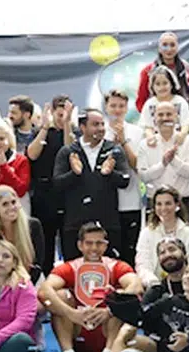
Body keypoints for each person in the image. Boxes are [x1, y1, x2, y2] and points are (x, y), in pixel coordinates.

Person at [37, 222, 144, 352]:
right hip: (77, 328)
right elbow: (44, 291)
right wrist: (71, 313)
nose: (94, 248)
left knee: (122, 295)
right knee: (59, 296)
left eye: (99, 243)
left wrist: (110, 310)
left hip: (108, 330)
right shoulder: (69, 267)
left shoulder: (116, 266)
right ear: (80, 245)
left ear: (106, 245)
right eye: (89, 243)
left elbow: (136, 286)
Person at [54, 110, 131, 261]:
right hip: (75, 225)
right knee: (74, 269)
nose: (101, 128)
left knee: (109, 269)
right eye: (95, 124)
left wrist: (109, 173)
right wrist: (74, 174)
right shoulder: (68, 151)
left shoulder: (114, 150)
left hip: (108, 224)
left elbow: (124, 181)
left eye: (102, 124)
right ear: (82, 127)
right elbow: (57, 183)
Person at [27, 95, 74, 269]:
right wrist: (45, 127)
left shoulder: (73, 132)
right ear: (52, 113)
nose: (62, 119)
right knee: (45, 243)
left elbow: (70, 151)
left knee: (69, 243)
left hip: (67, 194)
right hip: (44, 194)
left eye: (65, 115)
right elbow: (32, 155)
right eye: (59, 115)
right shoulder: (41, 132)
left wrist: (68, 124)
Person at [137, 103, 189, 215]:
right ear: (154, 119)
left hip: (183, 201)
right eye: (160, 115)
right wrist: (163, 164)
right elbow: (143, 176)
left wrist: (174, 161)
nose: (165, 118)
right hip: (155, 202)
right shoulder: (144, 144)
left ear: (176, 117)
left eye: (169, 114)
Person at [104, 91, 143, 263]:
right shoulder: (100, 130)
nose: (117, 110)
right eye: (113, 106)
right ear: (106, 107)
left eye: (121, 106)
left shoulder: (137, 132)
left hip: (131, 200)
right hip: (106, 203)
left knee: (129, 251)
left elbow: (138, 166)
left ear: (127, 108)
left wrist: (123, 142)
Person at [135, 186, 189, 287]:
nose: (163, 208)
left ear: (177, 205)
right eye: (159, 204)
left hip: (185, 285)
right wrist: (154, 284)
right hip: (154, 284)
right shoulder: (146, 233)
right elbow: (142, 264)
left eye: (168, 203)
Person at [0, 185, 46, 283]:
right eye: (5, 204)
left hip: (31, 281)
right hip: (1, 282)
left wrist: (23, 285)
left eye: (13, 202)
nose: (11, 207)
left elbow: (38, 264)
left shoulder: (33, 226)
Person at [135, 31, 189, 112]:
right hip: (157, 114)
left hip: (181, 112)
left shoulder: (185, 67)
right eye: (165, 45)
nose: (169, 49)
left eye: (172, 45)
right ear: (159, 48)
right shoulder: (148, 71)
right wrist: (148, 115)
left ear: (177, 47)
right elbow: (141, 100)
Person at [138, 66, 189, 136]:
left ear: (171, 84)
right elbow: (147, 127)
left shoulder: (180, 101)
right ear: (152, 87)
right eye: (158, 84)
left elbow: (186, 124)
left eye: (165, 83)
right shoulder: (149, 104)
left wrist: (181, 135)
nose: (162, 87)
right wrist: (151, 137)